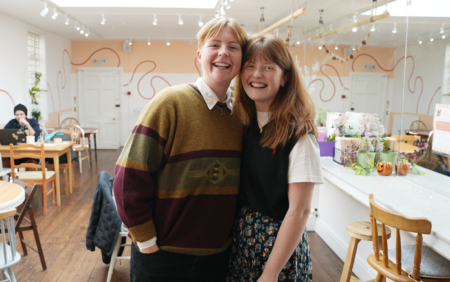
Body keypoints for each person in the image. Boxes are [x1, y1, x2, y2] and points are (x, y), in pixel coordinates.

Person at [113, 17, 247, 282]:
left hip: (218, 256)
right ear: (199, 55)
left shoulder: (242, 116)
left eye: (233, 47)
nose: (223, 52)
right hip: (163, 255)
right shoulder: (169, 103)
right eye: (215, 44)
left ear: (242, 58)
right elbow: (128, 177)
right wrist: (146, 240)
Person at [227, 34, 324, 282]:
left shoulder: (299, 133)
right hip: (240, 244)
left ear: (285, 77)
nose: (257, 74)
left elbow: (300, 211)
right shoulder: (241, 122)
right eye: (250, 66)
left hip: (278, 251)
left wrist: (270, 274)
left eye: (268, 67)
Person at [2, 104, 41, 169]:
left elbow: (35, 136)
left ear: (25, 114)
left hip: (29, 155)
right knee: (2, 162)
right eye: (17, 115)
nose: (19, 117)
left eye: (21, 114)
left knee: (31, 165)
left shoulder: (33, 122)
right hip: (14, 153)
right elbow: (3, 134)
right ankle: (12, 179)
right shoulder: (12, 122)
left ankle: (26, 179)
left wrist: (27, 124)